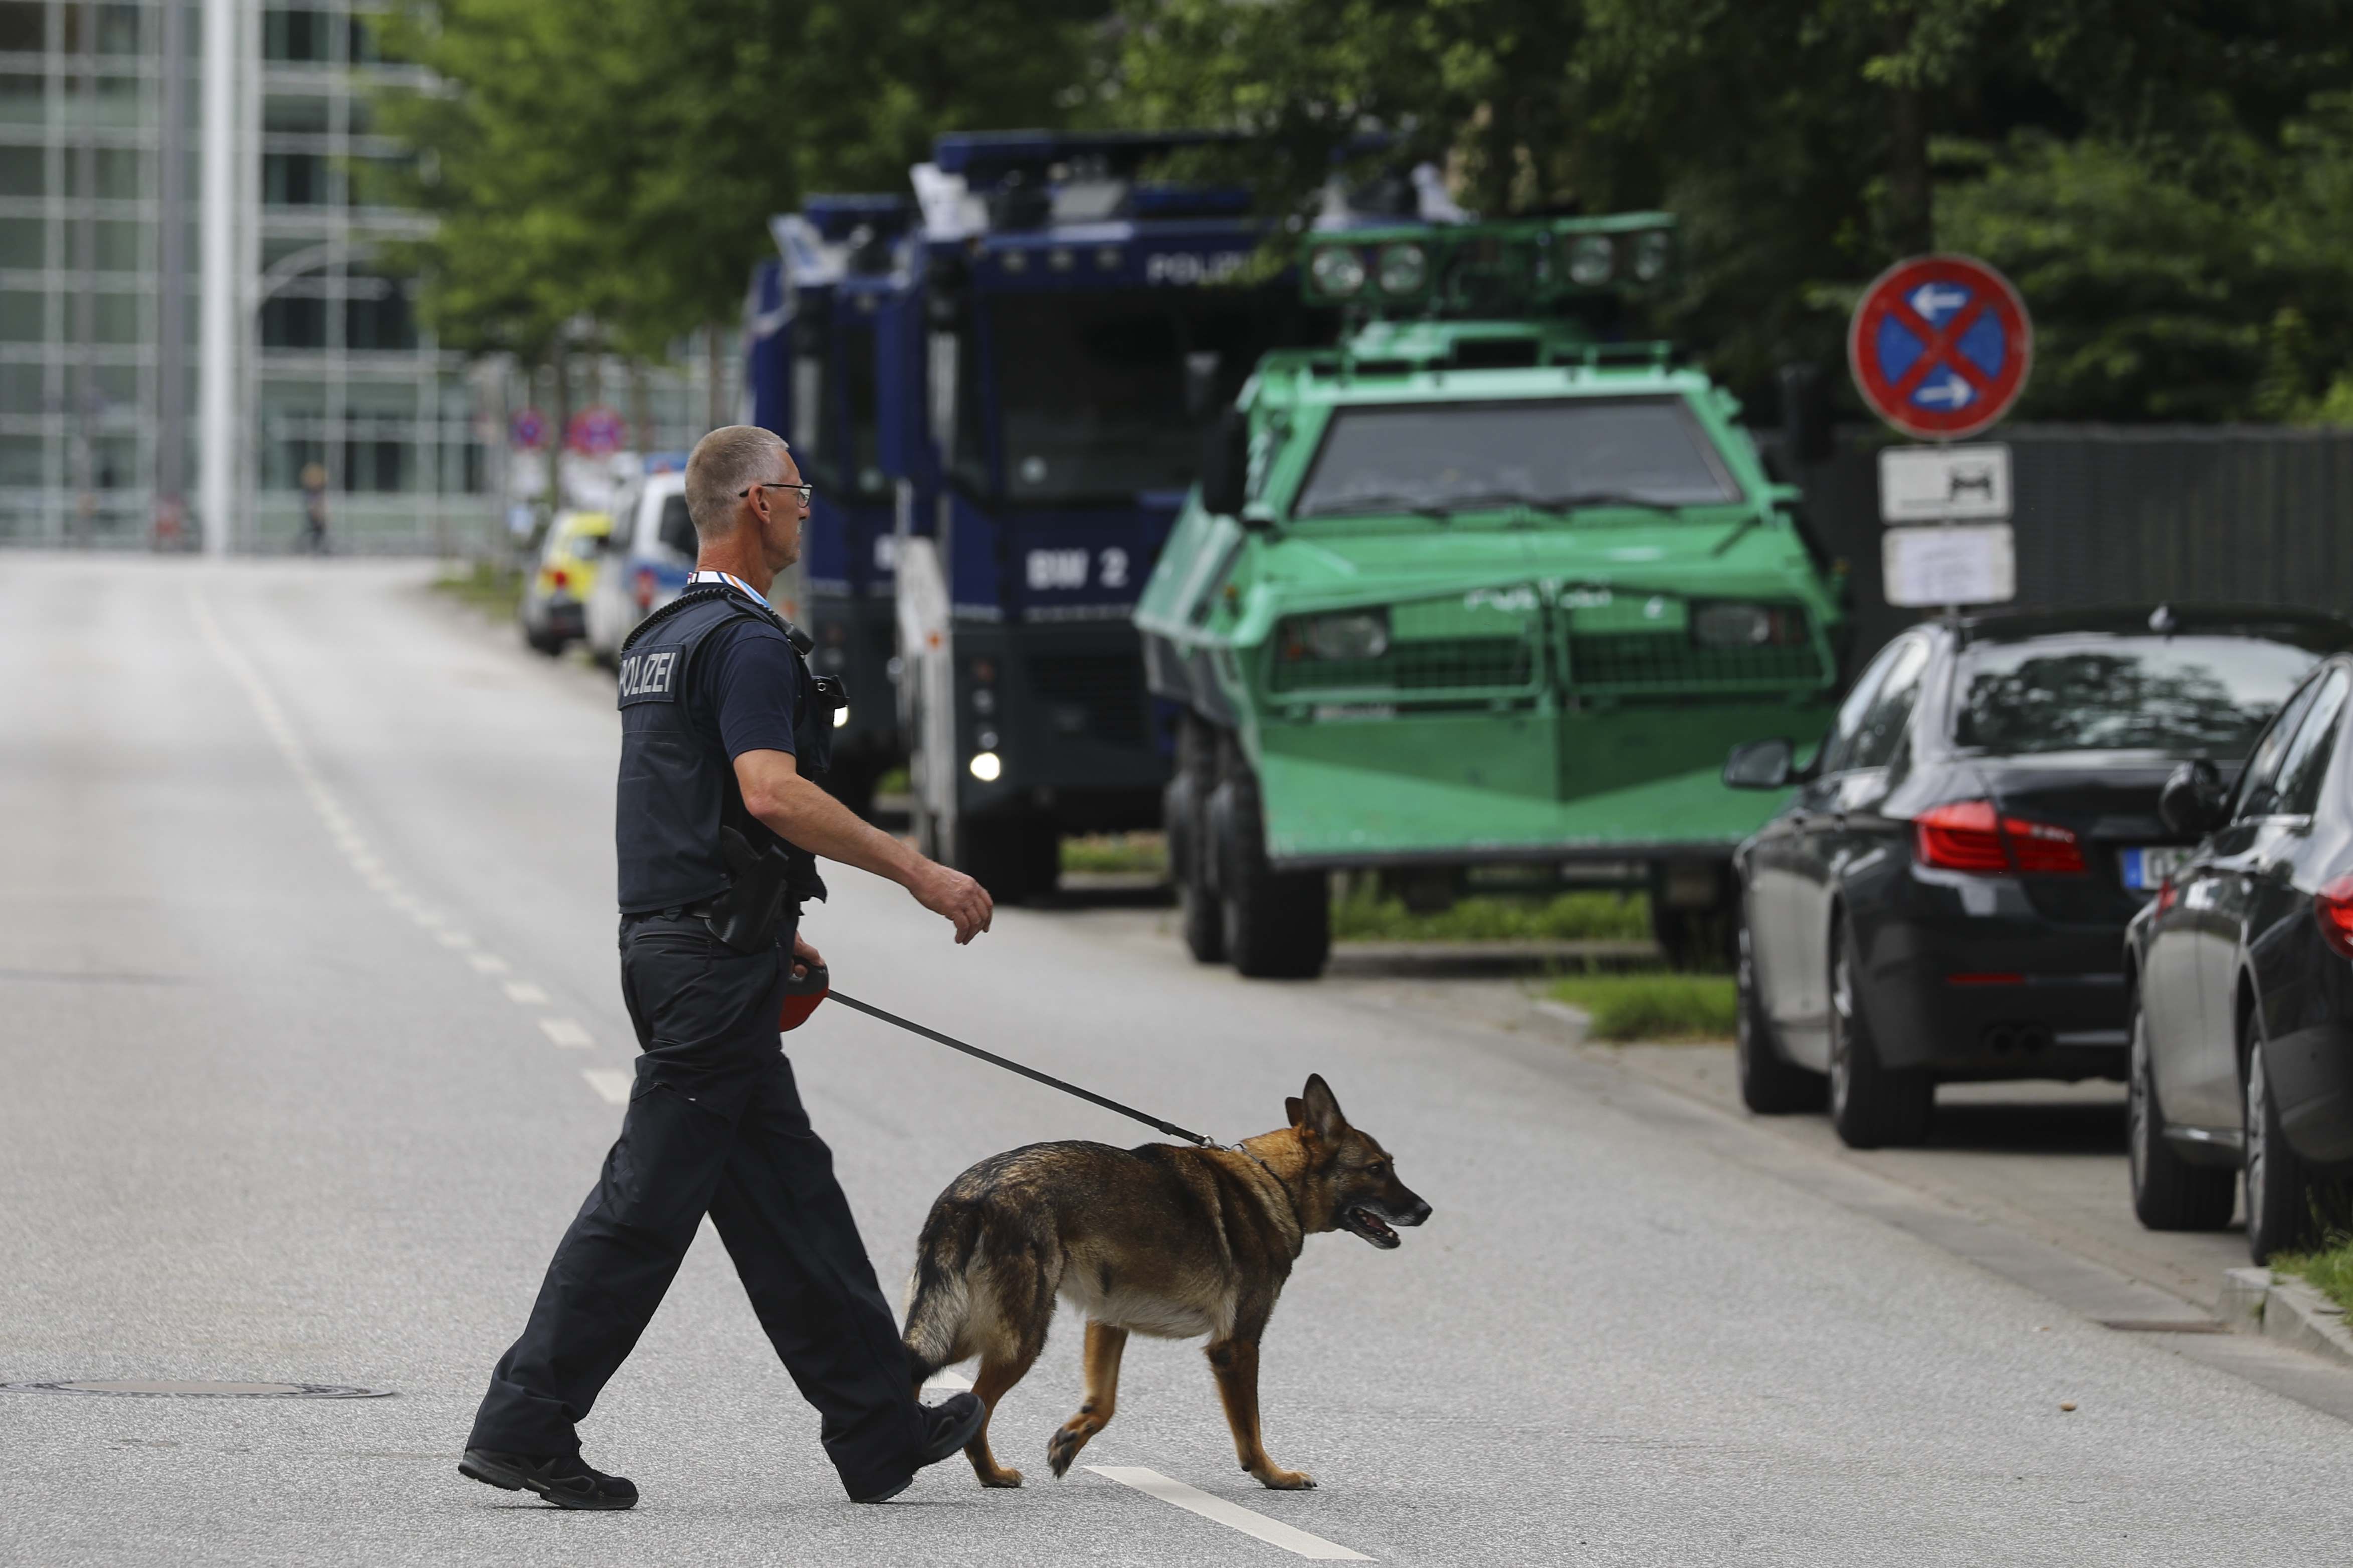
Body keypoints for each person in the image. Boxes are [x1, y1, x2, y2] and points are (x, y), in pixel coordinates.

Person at [461, 425, 996, 1510]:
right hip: (706, 962)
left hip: (688, 941)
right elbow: (766, 791)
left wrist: (771, 918)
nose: (807, 508)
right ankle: (523, 1420)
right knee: (644, 1204)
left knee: (791, 1196)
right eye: (796, 491)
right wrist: (916, 869)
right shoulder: (748, 644)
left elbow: (683, 806)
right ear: (757, 502)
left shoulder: (665, 635)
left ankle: (876, 1428)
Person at [298, 462, 330, 554]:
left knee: (318, 534)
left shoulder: (319, 493)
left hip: (318, 520)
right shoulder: (310, 494)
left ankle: (317, 549)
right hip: (314, 518)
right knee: (314, 534)